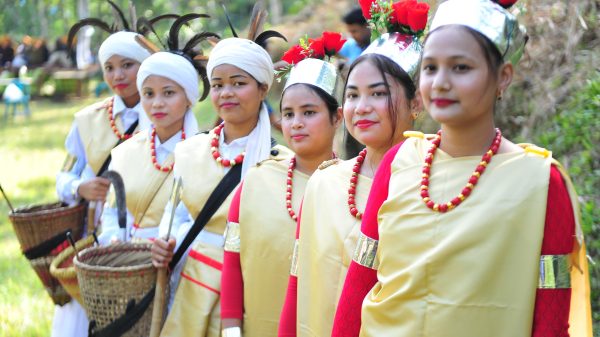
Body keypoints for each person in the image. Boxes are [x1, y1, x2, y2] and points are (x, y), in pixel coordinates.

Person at [332, 0, 593, 336]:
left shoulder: (541, 181)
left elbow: (551, 313)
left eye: (460, 68)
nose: (440, 82)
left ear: (503, 77)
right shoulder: (400, 162)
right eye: (430, 68)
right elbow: (359, 283)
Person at [277, 4, 427, 335]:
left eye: (378, 94)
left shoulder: (433, 183)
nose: (362, 108)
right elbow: (299, 281)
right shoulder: (326, 183)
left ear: (415, 103)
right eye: (354, 95)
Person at [151, 35, 292, 337]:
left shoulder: (283, 164)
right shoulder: (190, 151)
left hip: (252, 287)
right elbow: (178, 213)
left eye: (239, 83)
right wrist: (167, 242)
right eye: (217, 85)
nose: (226, 93)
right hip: (192, 282)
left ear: (263, 89)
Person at [220, 56, 342, 337]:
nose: (296, 123)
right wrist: (231, 331)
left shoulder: (351, 187)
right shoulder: (255, 180)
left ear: (337, 117)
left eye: (309, 113)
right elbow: (232, 261)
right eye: (288, 114)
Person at [53, 24, 151, 337]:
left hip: (145, 231)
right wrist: (79, 187)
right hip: (95, 234)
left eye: (127, 65)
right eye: (109, 67)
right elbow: (64, 175)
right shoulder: (87, 120)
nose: (118, 75)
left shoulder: (164, 113)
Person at [98, 45, 205, 245]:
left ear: (188, 98)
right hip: (131, 264)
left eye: (168, 93)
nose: (157, 103)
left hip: (182, 261)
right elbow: (113, 211)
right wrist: (114, 238)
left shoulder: (203, 155)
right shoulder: (125, 152)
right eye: (148, 94)